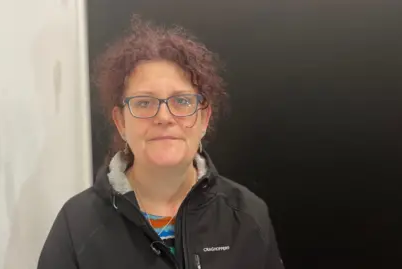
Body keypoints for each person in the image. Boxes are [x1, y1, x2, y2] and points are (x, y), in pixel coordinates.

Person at [38, 16, 284, 269]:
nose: (164, 117)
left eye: (181, 101)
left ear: (203, 119)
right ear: (121, 122)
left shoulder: (247, 216)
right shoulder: (77, 225)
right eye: (144, 103)